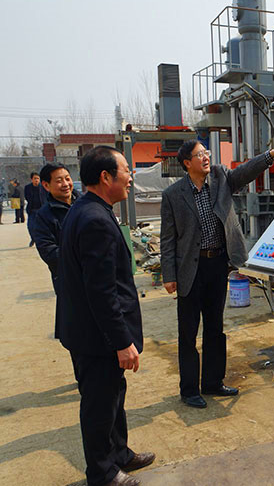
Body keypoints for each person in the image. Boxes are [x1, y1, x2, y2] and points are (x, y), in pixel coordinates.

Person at [161, 140, 274, 408]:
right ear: (187, 163)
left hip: (217, 264)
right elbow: (167, 238)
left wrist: (269, 156)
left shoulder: (221, 177)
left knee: (215, 327)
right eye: (200, 154)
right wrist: (168, 274)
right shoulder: (173, 195)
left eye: (206, 153)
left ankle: (212, 382)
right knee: (188, 332)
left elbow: (245, 171)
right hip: (190, 268)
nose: (206, 158)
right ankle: (189, 390)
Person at [57, 146, 154, 486]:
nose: (130, 177)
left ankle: (120, 454)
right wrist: (121, 342)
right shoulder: (95, 220)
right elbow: (102, 292)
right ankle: (103, 473)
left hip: (90, 331)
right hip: (97, 337)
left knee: (114, 396)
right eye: (126, 170)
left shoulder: (89, 209)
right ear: (105, 176)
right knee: (99, 405)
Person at [30, 163, 78, 296]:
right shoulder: (44, 216)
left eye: (67, 178)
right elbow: (48, 252)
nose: (65, 184)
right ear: (46, 185)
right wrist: (81, 255)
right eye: (59, 181)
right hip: (68, 282)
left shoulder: (86, 204)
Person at [24, 171, 47, 246]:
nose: (36, 180)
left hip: (42, 210)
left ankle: (42, 240)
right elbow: (26, 197)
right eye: (35, 178)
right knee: (31, 227)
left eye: (38, 178)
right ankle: (33, 238)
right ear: (32, 179)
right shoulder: (27, 187)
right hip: (32, 210)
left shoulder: (43, 187)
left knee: (43, 227)